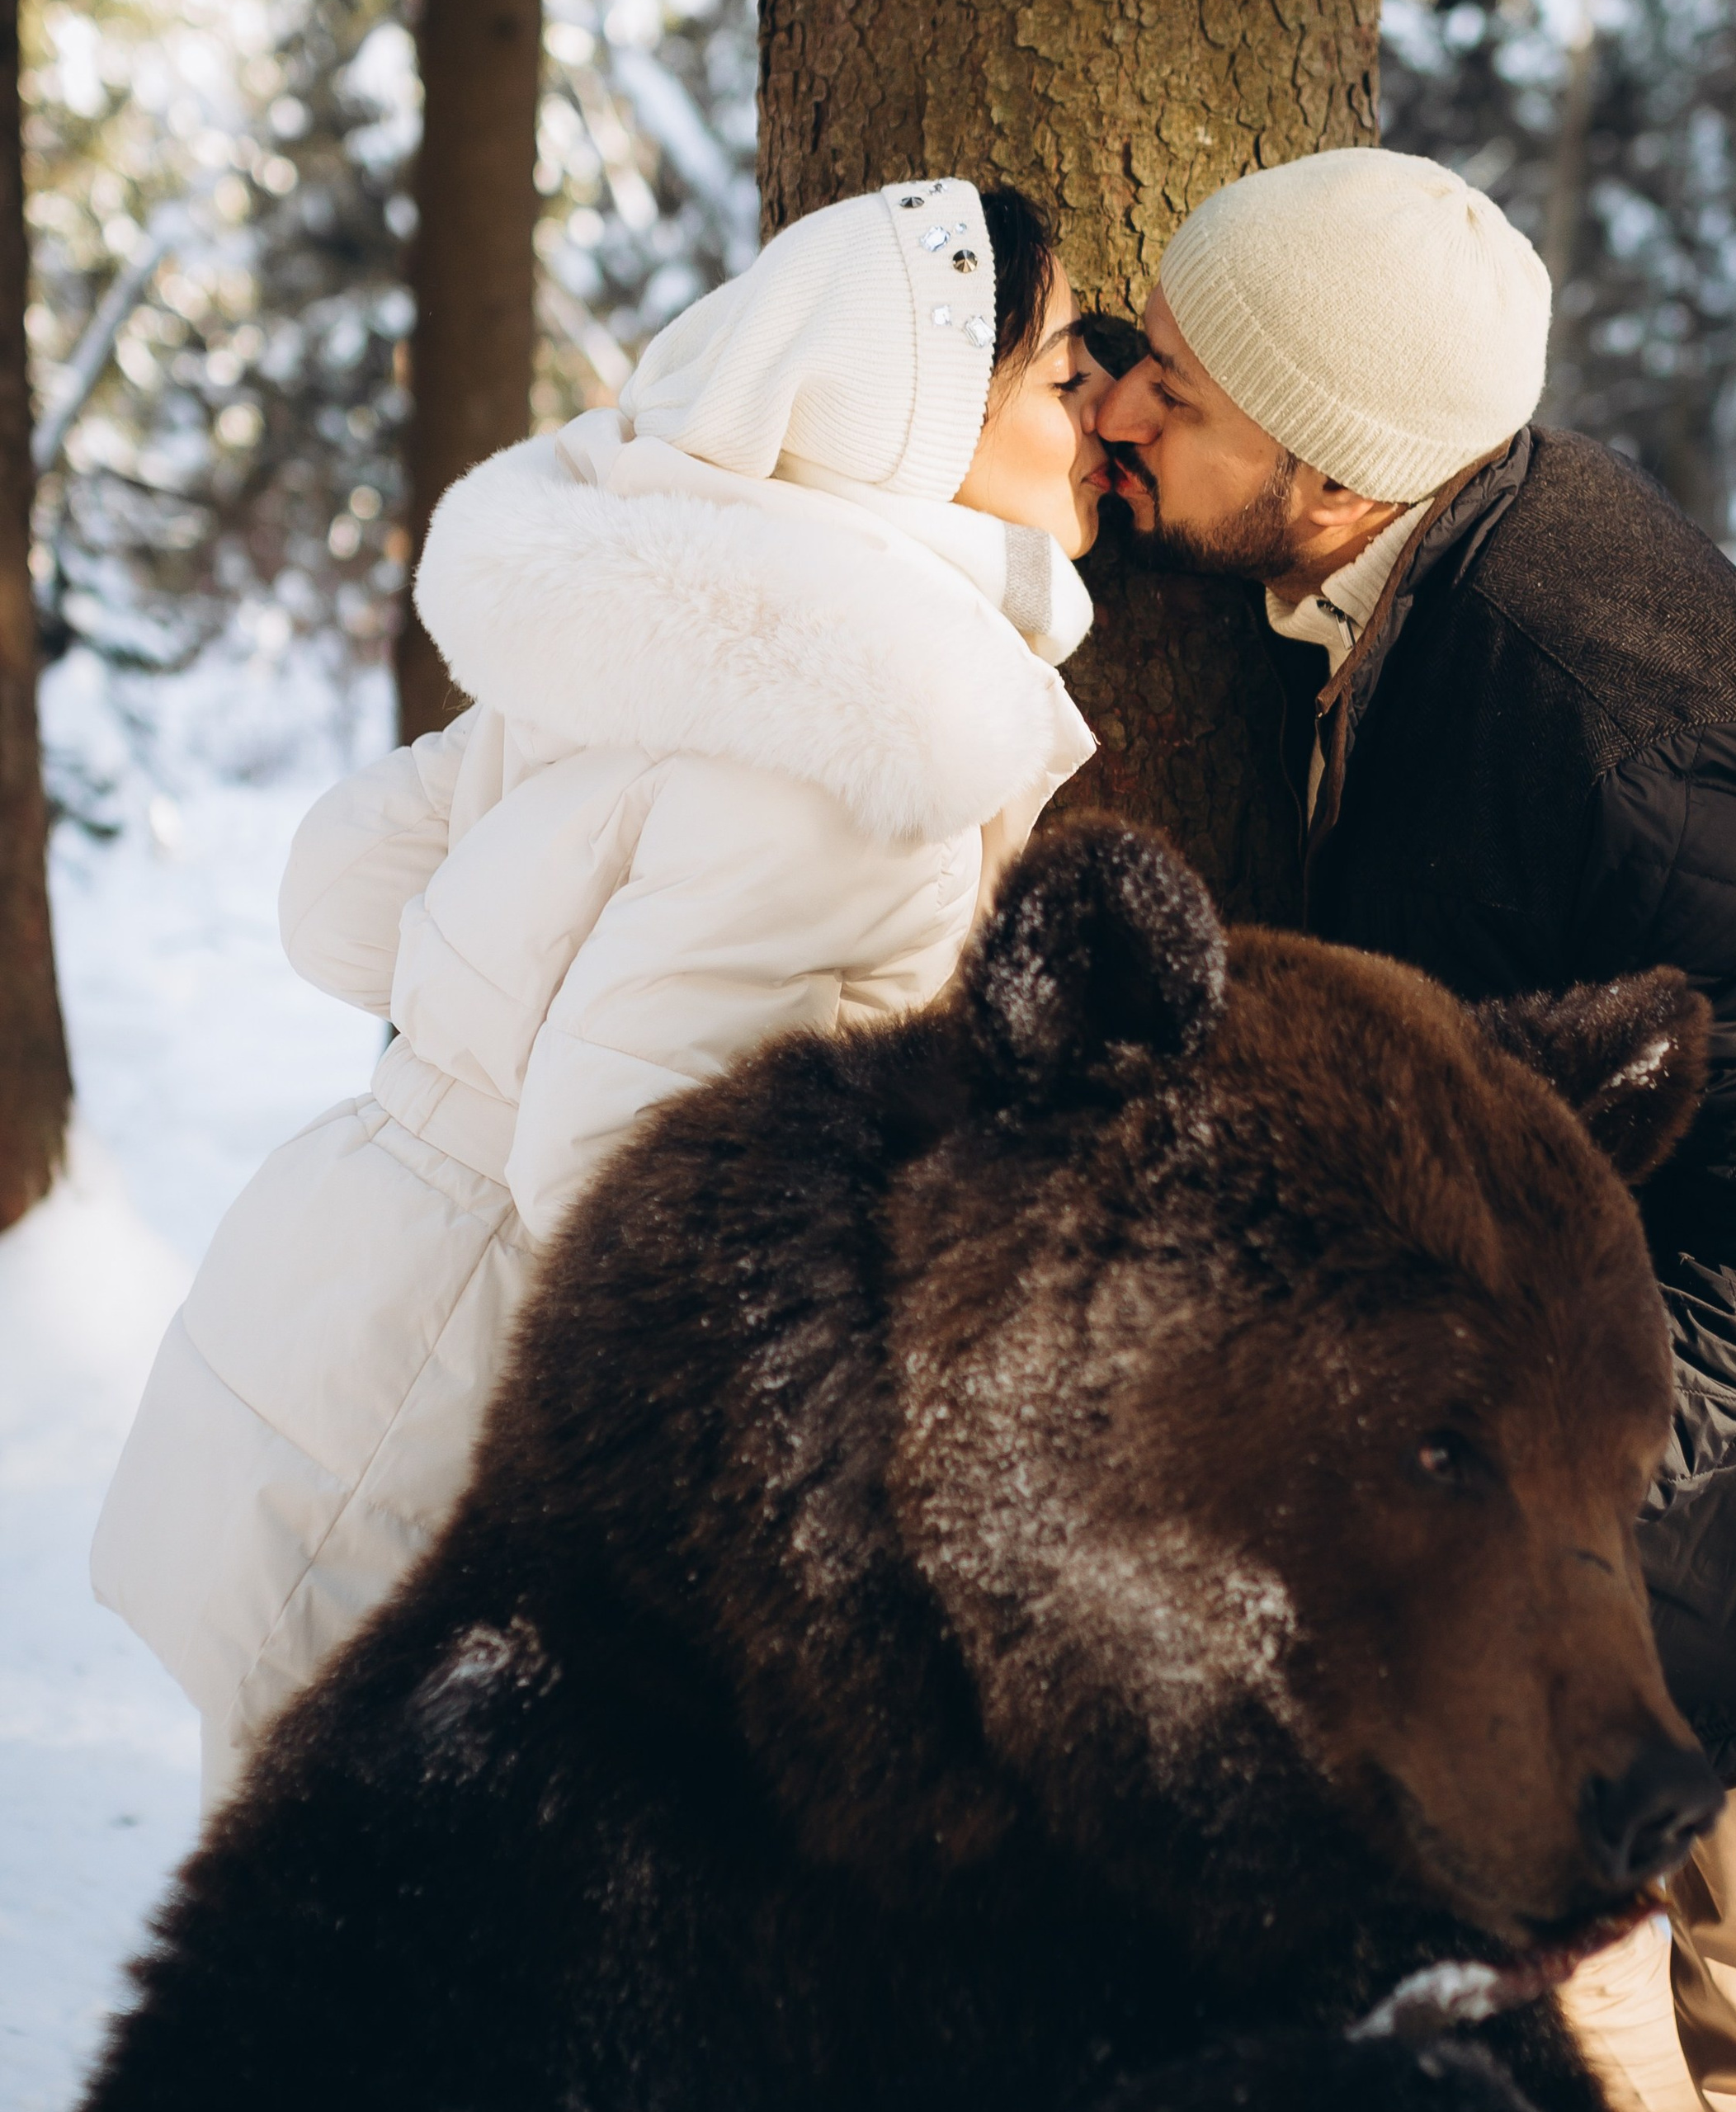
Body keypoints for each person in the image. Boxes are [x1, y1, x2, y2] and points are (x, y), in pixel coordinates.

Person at [1092, 147, 1736, 2112]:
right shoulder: (1413, 586)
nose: (1122, 403)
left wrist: (1528, 1489)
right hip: (1631, 1535)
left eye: (1177, 393)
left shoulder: (1599, 697)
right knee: (1583, 2040)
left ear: (1332, 472)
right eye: (1134, 355)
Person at [92, 180, 1116, 1810]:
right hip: (449, 1443)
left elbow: (344, 894)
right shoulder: (859, 750)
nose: (1103, 401)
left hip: (327, 1320)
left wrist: (482, 1012)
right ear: (917, 410)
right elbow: (625, 1187)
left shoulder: (668, 620)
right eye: (1068, 361)